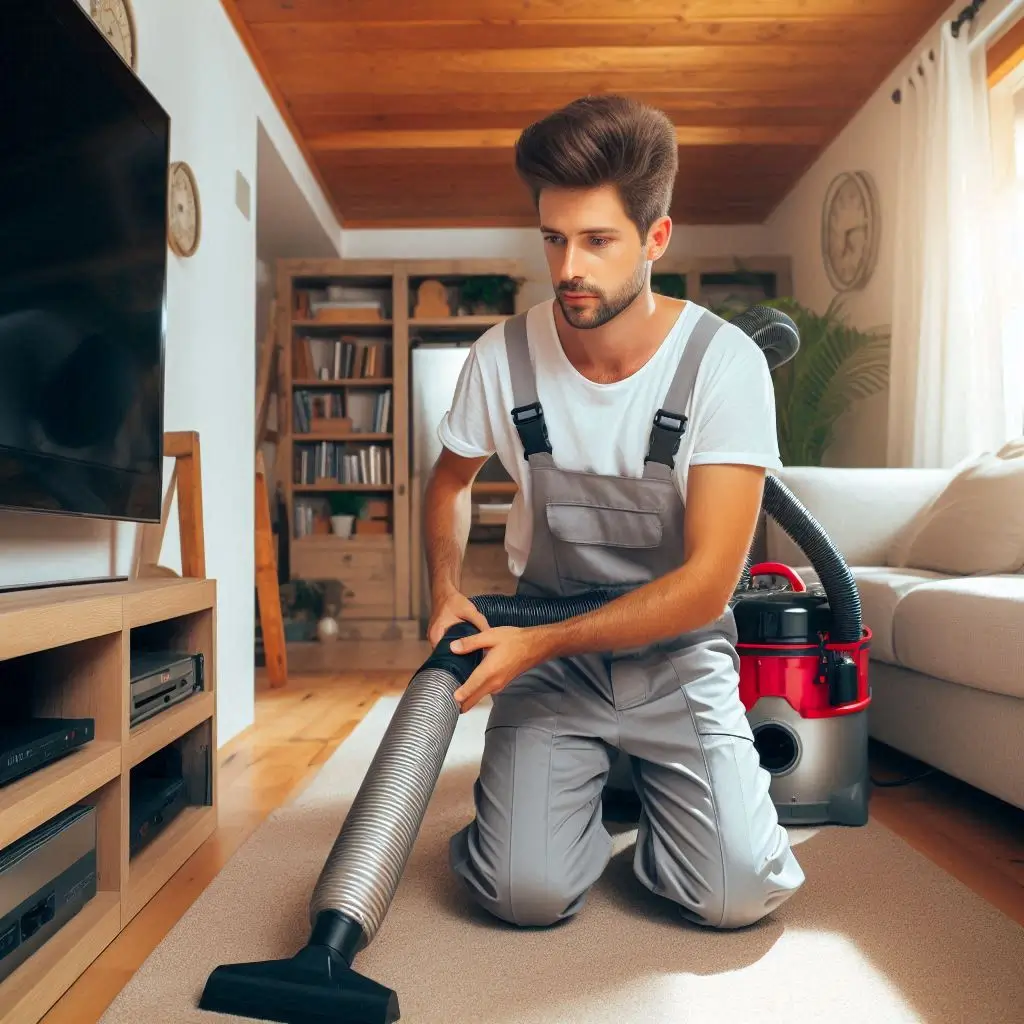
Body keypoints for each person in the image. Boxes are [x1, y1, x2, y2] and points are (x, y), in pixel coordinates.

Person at [422, 94, 805, 932]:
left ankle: (640, 800)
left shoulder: (724, 366)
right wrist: (447, 587)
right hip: (553, 670)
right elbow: (447, 483)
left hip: (676, 656)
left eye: (597, 241)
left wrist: (535, 640)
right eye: (553, 238)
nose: (569, 268)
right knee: (521, 895)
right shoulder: (503, 357)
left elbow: (708, 587)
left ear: (655, 239)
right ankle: (562, 805)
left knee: (738, 893)